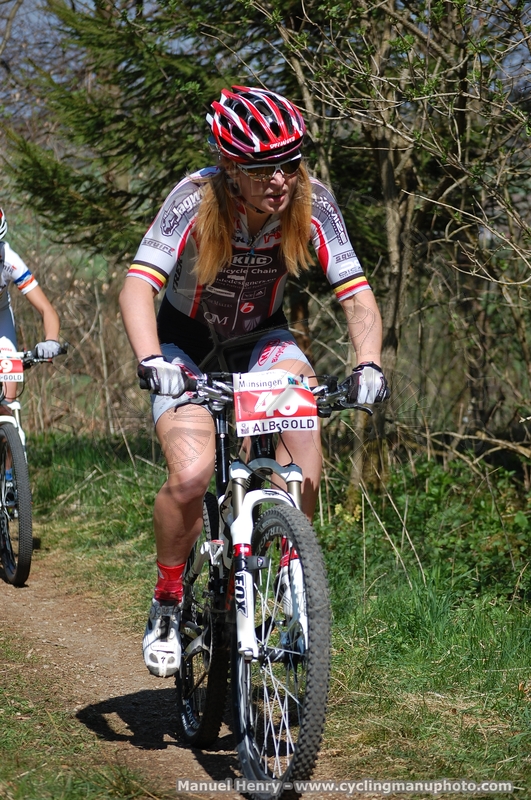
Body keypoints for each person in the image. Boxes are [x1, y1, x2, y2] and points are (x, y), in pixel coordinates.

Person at [119, 86, 390, 678]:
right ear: (231, 167)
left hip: (262, 338)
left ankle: (292, 586)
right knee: (191, 476)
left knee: (305, 450)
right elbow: (138, 285)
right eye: (264, 168)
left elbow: (356, 294)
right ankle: (168, 599)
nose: (281, 180)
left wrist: (368, 363)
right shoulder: (193, 199)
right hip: (186, 345)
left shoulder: (313, 200)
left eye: (290, 164)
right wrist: (151, 360)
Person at [0, 208, 62, 404]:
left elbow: (46, 309)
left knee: (8, 398)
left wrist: (51, 340)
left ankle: (7, 419)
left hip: (1, 319)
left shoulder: (10, 261)